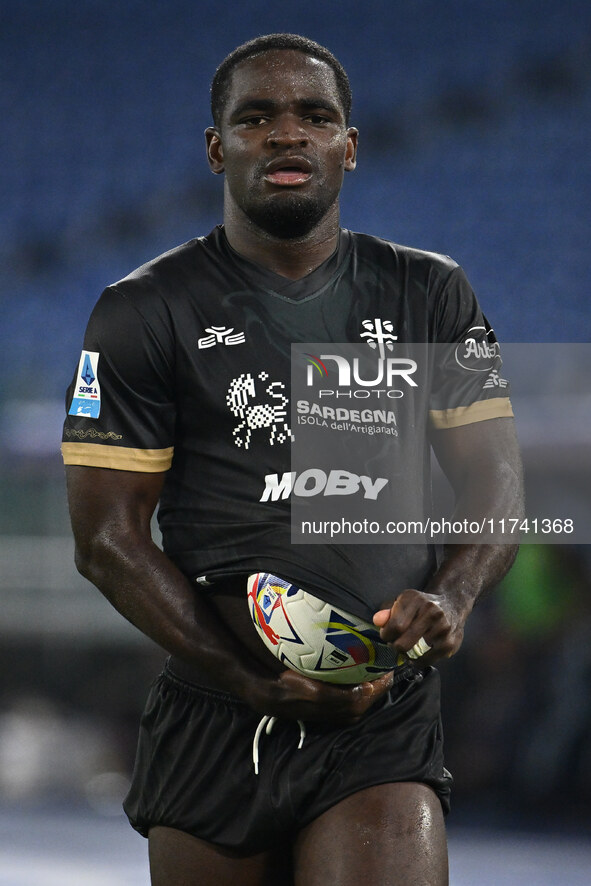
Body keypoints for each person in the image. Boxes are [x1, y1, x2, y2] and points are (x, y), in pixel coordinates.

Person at [62, 33, 523, 886]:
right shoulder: (142, 310)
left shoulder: (429, 291)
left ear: (348, 145)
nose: (286, 135)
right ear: (216, 148)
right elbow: (105, 540)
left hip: (379, 720)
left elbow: (494, 481)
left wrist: (452, 595)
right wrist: (246, 677)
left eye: (314, 116)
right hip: (212, 712)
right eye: (256, 118)